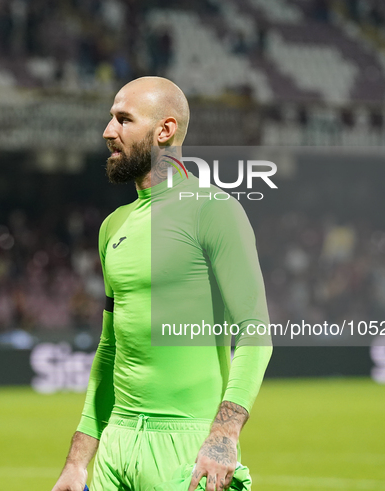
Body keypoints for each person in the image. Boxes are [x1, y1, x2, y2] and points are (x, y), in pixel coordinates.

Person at [51, 77, 272, 491]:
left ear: (164, 131)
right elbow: (109, 349)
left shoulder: (214, 210)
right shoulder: (111, 227)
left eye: (123, 120)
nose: (107, 131)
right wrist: (79, 460)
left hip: (186, 449)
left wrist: (224, 435)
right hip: (116, 449)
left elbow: (256, 332)